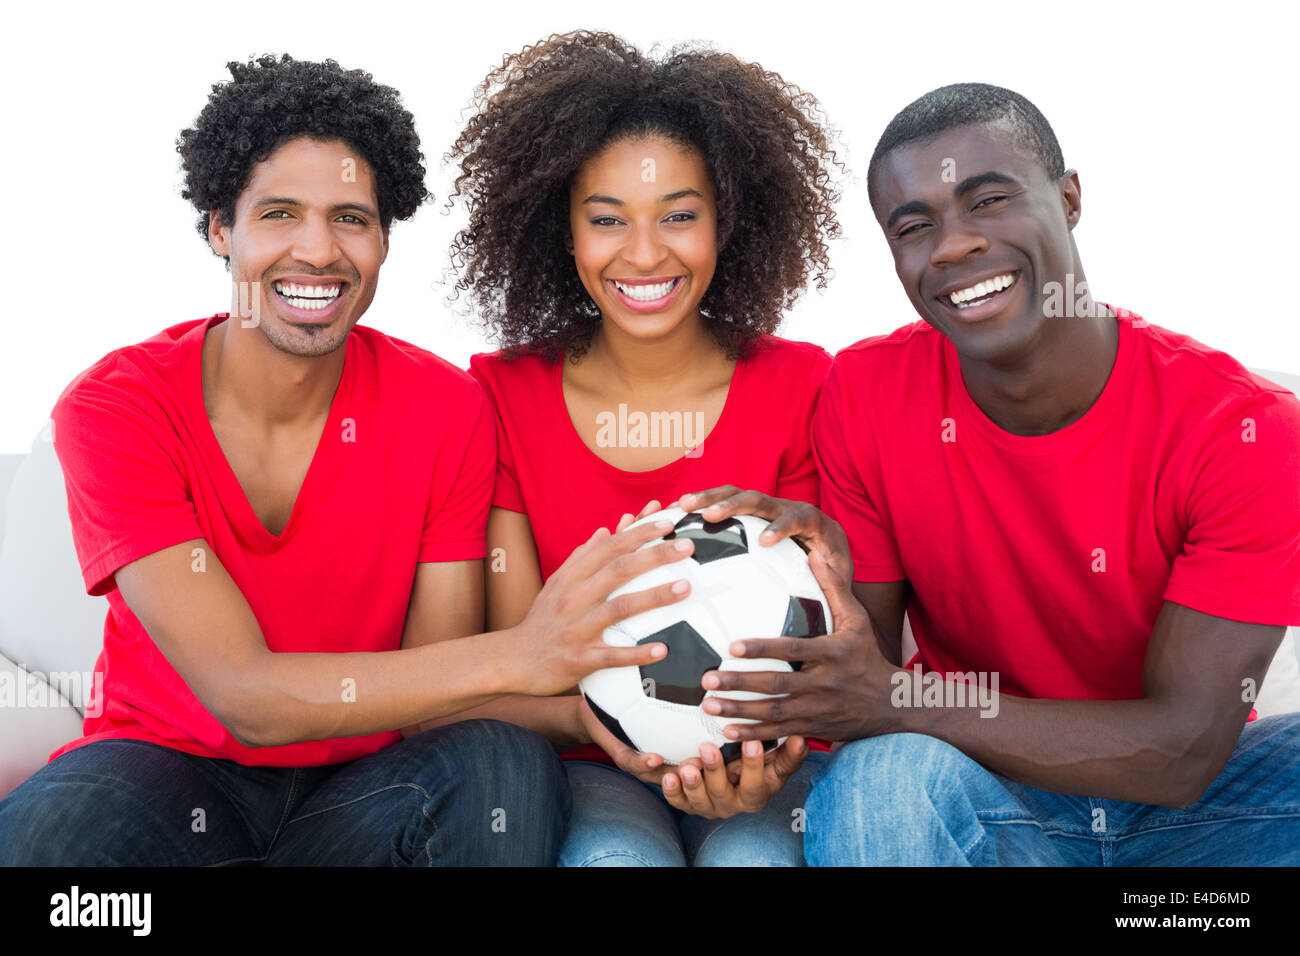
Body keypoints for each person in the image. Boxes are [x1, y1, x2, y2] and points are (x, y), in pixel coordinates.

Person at [0, 54, 692, 866]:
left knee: (502, 765)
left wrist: (603, 715)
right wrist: (527, 650)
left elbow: (441, 691)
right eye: (281, 214)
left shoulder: (445, 408)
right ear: (221, 226)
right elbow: (244, 697)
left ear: (384, 238)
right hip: (169, 773)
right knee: (53, 831)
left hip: (369, 785)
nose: (318, 251)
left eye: (351, 218)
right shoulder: (119, 407)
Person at [677, 82, 1300, 865]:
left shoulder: (1242, 430)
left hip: (1195, 813)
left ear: (1069, 199)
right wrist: (797, 574)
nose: (953, 245)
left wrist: (901, 699)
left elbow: (1180, 751)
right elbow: (856, 677)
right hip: (982, 794)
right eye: (914, 226)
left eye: (989, 199)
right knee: (881, 786)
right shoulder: (867, 397)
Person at [441, 31, 842, 865]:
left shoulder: (801, 385)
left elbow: (824, 629)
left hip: (768, 763)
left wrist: (763, 753)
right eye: (607, 220)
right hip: (587, 762)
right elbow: (514, 660)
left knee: (755, 860)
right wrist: (617, 729)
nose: (646, 253)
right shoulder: (501, 395)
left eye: (679, 216)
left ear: (726, 223)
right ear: (564, 234)